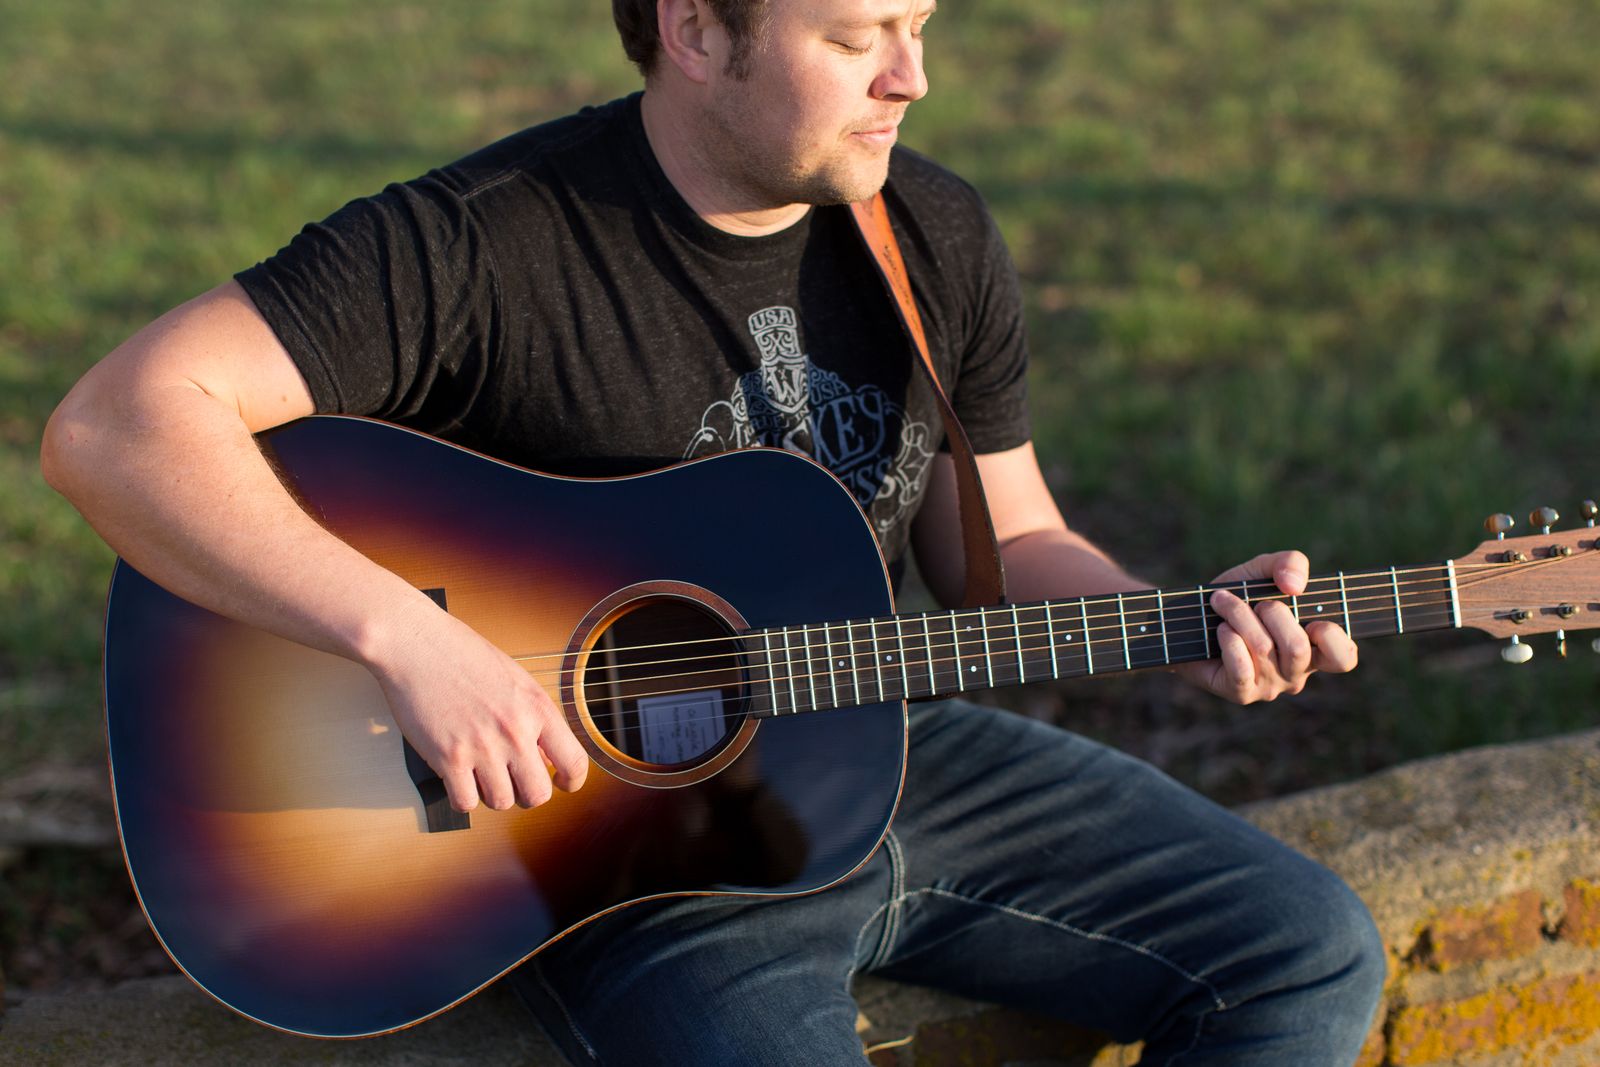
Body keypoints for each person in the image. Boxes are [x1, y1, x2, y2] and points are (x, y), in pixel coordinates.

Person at [41, 0, 1385, 1062]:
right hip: (620, 857)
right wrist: (407, 639)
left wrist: (1178, 624)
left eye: (920, 27)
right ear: (695, 29)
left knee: (1305, 951)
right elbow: (116, 428)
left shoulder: (932, 232)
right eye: (854, 39)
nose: (910, 78)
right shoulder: (481, 244)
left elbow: (1006, 549)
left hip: (891, 754)